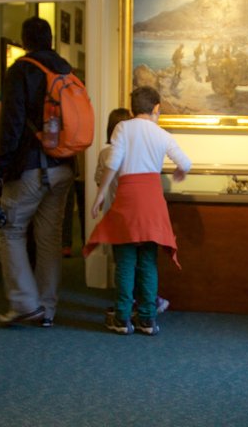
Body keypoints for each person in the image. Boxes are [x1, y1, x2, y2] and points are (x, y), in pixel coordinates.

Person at [85, 86, 191, 336]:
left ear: (133, 108)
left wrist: (100, 195)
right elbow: (185, 162)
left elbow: (112, 162)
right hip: (152, 201)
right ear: (156, 108)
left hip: (128, 199)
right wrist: (179, 173)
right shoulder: (161, 133)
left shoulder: (123, 128)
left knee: (125, 262)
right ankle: (147, 320)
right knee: (148, 262)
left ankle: (122, 319)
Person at [0, 16, 75, 328]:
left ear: (25, 40)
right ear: (51, 39)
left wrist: (1, 167)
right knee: (48, 238)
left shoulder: (21, 70)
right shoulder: (66, 69)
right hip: (64, 167)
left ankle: (24, 303)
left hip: (31, 168)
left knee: (11, 230)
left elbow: (12, 123)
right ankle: (47, 308)